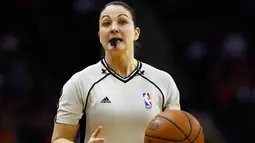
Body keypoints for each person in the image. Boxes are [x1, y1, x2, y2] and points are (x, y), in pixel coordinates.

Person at [51, 1, 181, 143]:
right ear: (100, 36)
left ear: (136, 33)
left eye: (122, 21)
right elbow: (59, 139)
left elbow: (177, 135)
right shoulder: (80, 82)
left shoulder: (163, 81)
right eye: (106, 23)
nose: (114, 28)